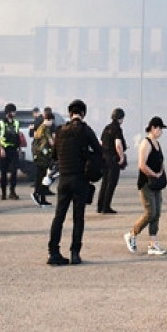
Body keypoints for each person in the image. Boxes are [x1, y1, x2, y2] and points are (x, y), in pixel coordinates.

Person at [47, 99, 102, 266]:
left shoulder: (60, 131)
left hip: (63, 179)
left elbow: (54, 155)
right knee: (78, 218)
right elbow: (99, 150)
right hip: (80, 179)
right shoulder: (85, 130)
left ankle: (54, 252)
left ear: (69, 113)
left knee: (59, 217)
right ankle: (75, 253)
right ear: (83, 114)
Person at [125, 117, 167, 256]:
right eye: (159, 128)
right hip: (146, 183)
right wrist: (154, 174)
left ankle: (153, 243)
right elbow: (142, 165)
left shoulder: (157, 143)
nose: (161, 131)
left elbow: (160, 160)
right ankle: (132, 234)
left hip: (156, 184)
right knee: (150, 212)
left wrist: (160, 172)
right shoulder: (146, 143)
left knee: (157, 213)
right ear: (153, 128)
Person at [97, 108, 127, 214]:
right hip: (113, 159)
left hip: (105, 158)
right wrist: (122, 157)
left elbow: (100, 143)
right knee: (112, 183)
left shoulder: (107, 128)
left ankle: (100, 206)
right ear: (121, 118)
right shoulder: (117, 129)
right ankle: (106, 206)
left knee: (105, 182)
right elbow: (118, 144)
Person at [0, 103, 22, 200]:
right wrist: (0, 149)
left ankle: (12, 191)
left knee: (14, 171)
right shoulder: (0, 123)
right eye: (13, 111)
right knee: (3, 172)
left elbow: (18, 136)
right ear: (8, 112)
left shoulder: (16, 123)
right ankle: (3, 193)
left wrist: (19, 149)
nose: (14, 113)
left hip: (14, 150)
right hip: (4, 150)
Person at [31, 110, 57, 206]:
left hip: (38, 156)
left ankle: (42, 198)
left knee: (42, 177)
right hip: (43, 157)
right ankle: (37, 194)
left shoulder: (40, 127)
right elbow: (51, 142)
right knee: (43, 178)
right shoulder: (45, 128)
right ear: (50, 120)